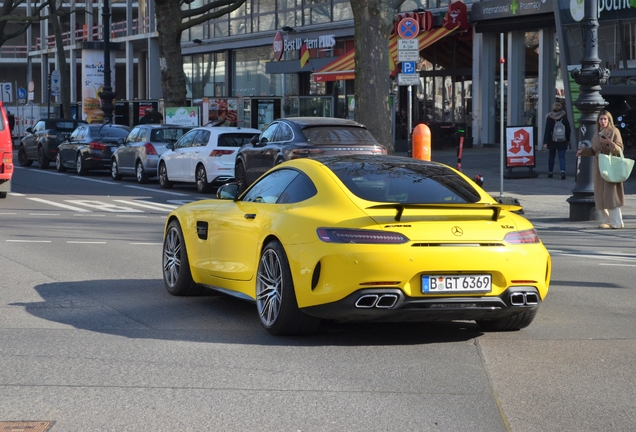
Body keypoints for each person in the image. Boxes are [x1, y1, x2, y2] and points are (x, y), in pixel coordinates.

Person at [577, 110, 626, 229]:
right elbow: (594, 150)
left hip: (610, 166)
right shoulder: (597, 133)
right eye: (601, 119)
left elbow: (620, 149)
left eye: (605, 119)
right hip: (599, 167)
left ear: (609, 120)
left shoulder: (614, 131)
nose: (603, 121)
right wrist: (583, 151)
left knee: (611, 195)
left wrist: (609, 143)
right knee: (600, 195)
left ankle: (617, 222)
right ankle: (606, 221)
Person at [542, 102, 571, 179]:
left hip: (552, 140)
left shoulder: (550, 118)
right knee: (562, 157)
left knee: (551, 156)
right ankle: (562, 171)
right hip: (562, 140)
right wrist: (567, 139)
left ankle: (550, 172)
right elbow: (568, 130)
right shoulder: (564, 118)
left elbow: (547, 131)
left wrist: (545, 142)